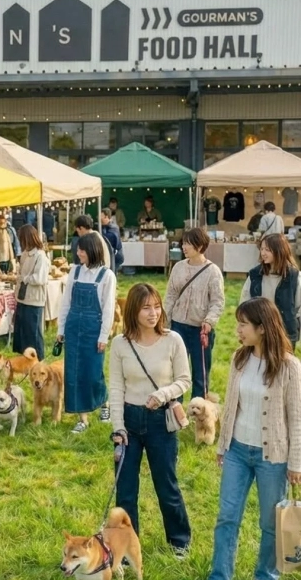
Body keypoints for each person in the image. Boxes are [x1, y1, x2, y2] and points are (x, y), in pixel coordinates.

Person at [194, 297, 301, 580]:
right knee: (227, 517)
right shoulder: (239, 359)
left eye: (244, 324)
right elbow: (231, 407)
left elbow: (296, 418)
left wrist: (296, 463)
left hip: (274, 458)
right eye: (238, 323)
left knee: (269, 521)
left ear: (263, 328)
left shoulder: (290, 367)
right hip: (238, 452)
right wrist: (223, 444)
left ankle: (266, 576)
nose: (238, 329)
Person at [109, 283, 192, 557]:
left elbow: (184, 380)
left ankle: (180, 542)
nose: (153, 313)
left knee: (166, 485)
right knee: (126, 491)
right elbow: (116, 389)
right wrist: (118, 427)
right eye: (146, 308)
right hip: (130, 421)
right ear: (133, 310)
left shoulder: (173, 340)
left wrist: (163, 393)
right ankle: (125, 547)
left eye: (157, 307)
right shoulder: (120, 344)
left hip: (160, 421)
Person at [57, 233, 116, 433]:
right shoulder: (74, 272)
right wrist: (61, 329)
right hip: (73, 327)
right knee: (74, 373)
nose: (78, 252)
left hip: (94, 330)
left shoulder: (107, 276)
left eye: (82, 249)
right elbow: (65, 303)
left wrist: (103, 336)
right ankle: (82, 418)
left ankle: (104, 403)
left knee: (93, 373)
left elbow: (108, 308)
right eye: (78, 249)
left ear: (92, 250)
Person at [164, 228, 225, 399]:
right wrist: (164, 320)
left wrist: (210, 321)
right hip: (178, 326)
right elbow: (170, 296)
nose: (183, 247)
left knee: (201, 373)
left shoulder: (213, 272)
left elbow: (217, 301)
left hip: (200, 328)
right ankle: (175, 408)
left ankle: (198, 410)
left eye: (188, 243)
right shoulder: (178, 267)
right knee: (176, 371)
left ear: (199, 246)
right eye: (183, 242)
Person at [240, 234, 301, 348]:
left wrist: (291, 321)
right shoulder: (255, 275)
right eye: (262, 249)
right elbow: (245, 301)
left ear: (279, 251)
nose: (263, 253)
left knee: (282, 365)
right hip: (259, 331)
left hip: (285, 332)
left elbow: (299, 306)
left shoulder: (294, 276)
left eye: (267, 250)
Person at [12, 224, 50, 362]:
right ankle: (25, 358)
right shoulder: (24, 255)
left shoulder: (41, 256)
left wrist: (24, 278)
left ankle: (38, 359)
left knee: (33, 332)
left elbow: (40, 278)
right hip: (22, 297)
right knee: (22, 331)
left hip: (34, 299)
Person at [100, 208, 124, 273]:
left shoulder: (113, 227)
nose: (99, 218)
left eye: (101, 216)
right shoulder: (101, 227)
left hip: (115, 256)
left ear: (106, 217)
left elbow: (109, 239)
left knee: (112, 273)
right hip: (108, 255)